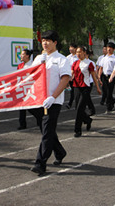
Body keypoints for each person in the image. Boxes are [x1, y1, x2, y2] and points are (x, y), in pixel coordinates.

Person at [27, 30, 71, 175]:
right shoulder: (39, 58)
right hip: (38, 101)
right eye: (43, 40)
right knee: (47, 130)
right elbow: (31, 76)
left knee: (46, 131)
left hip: (53, 101)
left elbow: (65, 79)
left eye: (48, 40)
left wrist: (53, 97)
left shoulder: (62, 59)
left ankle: (40, 163)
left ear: (55, 42)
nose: (45, 43)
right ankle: (59, 152)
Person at [71, 46, 101, 137]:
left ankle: (77, 130)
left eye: (80, 52)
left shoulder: (89, 63)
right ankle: (88, 120)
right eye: (77, 52)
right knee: (77, 108)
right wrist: (66, 82)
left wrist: (98, 88)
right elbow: (71, 74)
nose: (78, 54)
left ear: (84, 52)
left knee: (80, 108)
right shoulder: (75, 63)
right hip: (76, 87)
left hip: (86, 87)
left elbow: (94, 77)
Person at [99, 42, 115, 114]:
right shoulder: (103, 58)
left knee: (109, 92)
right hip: (104, 76)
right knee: (105, 91)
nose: (109, 49)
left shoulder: (114, 59)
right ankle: (112, 100)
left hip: (111, 76)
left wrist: (113, 77)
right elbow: (101, 68)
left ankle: (108, 107)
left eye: (110, 48)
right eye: (108, 48)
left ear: (113, 49)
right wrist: (99, 76)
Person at [16, 48, 33, 130]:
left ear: (27, 56)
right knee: (21, 106)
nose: (21, 56)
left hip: (30, 88)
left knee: (32, 107)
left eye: (23, 54)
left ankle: (39, 118)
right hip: (22, 88)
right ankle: (22, 124)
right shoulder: (20, 65)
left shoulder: (32, 65)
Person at [65, 43, 78, 109]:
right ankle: (70, 104)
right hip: (70, 77)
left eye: (71, 47)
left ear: (75, 49)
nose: (70, 49)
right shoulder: (68, 57)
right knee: (72, 91)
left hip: (77, 77)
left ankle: (75, 104)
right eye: (70, 47)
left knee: (76, 91)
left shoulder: (78, 57)